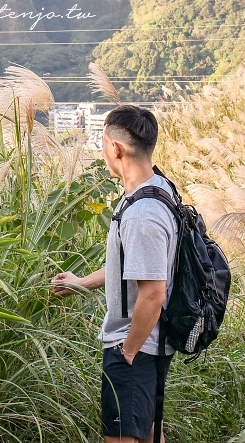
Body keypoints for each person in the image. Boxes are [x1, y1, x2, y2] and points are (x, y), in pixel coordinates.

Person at [51, 105, 177, 443]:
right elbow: (132, 265)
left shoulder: (142, 214)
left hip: (136, 346)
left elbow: (153, 292)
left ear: (114, 148)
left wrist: (129, 352)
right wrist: (81, 283)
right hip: (149, 343)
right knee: (149, 433)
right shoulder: (157, 189)